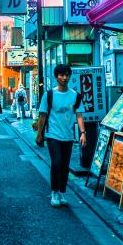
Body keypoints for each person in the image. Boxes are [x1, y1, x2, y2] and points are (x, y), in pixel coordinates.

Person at [35, 64, 86, 208]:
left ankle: (62, 192)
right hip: (53, 135)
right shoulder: (49, 95)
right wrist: (39, 134)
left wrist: (83, 133)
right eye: (62, 75)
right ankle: (54, 192)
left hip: (68, 136)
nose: (65, 78)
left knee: (64, 165)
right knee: (56, 162)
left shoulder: (75, 96)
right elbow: (43, 115)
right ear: (56, 77)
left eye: (67, 75)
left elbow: (79, 116)